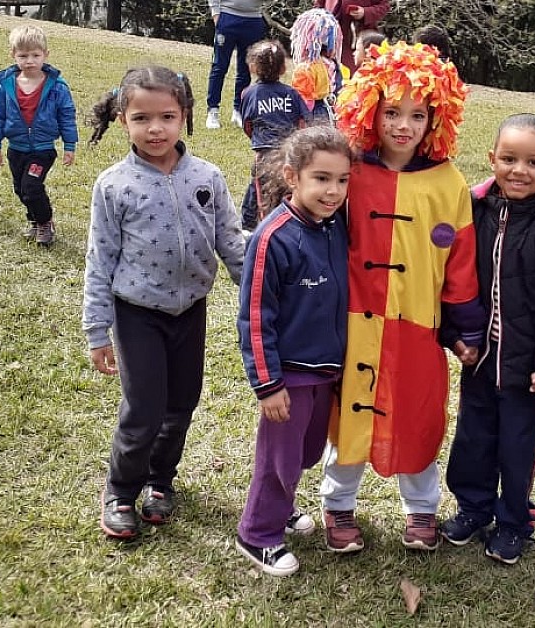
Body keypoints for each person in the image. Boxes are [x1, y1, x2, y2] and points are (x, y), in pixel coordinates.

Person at [320, 40, 485, 554]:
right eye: (392, 111)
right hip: (353, 317)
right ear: (370, 108)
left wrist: (465, 326)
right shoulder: (350, 171)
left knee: (417, 413)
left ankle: (421, 509)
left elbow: (460, 261)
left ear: (437, 118)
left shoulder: (448, 181)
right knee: (348, 413)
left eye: (418, 114)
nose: (403, 126)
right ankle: (337, 503)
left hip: (418, 322)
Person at [84, 66, 245, 541]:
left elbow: (232, 244)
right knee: (144, 409)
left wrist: (260, 296)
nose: (155, 129)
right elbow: (100, 260)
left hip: (190, 311)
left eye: (167, 117)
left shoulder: (207, 177)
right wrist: (97, 331)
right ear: (122, 120)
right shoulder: (113, 185)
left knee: (181, 403)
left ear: (185, 117)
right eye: (141, 118)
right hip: (137, 314)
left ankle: (160, 481)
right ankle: (119, 491)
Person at [442, 113, 535, 565]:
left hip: (529, 371)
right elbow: (455, 277)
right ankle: (473, 507)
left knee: (519, 449)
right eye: (508, 159)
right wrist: (456, 337)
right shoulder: (475, 206)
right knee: (473, 438)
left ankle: (513, 521)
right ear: (492, 158)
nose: (518, 171)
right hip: (481, 359)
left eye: (532, 162)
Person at [235, 125, 353, 577]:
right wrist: (268, 385)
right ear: (292, 176)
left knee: (304, 453)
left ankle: (280, 507)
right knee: (278, 458)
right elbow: (254, 318)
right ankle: (258, 533)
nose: (333, 190)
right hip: (289, 376)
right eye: (321, 178)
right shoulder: (273, 238)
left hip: (326, 371)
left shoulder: (334, 226)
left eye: (342, 180)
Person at [0, 25, 79, 246]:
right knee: (20, 189)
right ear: (13, 55)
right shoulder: (5, 86)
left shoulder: (57, 87)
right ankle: (34, 220)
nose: (30, 61)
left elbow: (67, 116)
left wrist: (70, 146)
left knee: (31, 186)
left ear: (46, 55)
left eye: (35, 55)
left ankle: (45, 222)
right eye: (23, 55)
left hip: (43, 150)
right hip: (16, 148)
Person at [206, 0, 278, 130]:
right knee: (219, 66)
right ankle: (213, 111)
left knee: (246, 69)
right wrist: (216, 12)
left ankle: (238, 109)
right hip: (227, 18)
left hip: (253, 21)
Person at [239, 39, 309, 231]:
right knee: (286, 191)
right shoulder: (292, 94)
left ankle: (259, 229)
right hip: (289, 154)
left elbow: (247, 124)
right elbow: (303, 122)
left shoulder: (249, 94)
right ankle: (275, 225)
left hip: (264, 156)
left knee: (261, 194)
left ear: (252, 67)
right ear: (283, 68)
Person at [289, 8, 344, 123]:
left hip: (314, 114)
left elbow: (304, 101)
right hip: (332, 112)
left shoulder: (305, 68)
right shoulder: (333, 64)